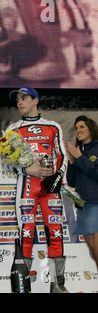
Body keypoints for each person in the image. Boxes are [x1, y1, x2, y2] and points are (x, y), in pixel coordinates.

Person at [6, 86, 68, 293]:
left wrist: (58, 176)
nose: (20, 102)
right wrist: (27, 168)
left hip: (51, 188)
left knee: (56, 233)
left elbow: (62, 156)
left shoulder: (53, 126)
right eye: (17, 100)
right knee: (26, 234)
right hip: (27, 187)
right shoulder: (13, 129)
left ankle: (58, 285)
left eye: (24, 98)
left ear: (36, 100)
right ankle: (23, 287)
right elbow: (6, 162)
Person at [65, 115, 98, 270]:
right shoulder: (78, 152)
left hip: (96, 205)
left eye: (82, 127)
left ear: (91, 128)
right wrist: (72, 161)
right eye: (77, 128)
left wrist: (79, 158)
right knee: (94, 253)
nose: (78, 130)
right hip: (83, 207)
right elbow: (71, 182)